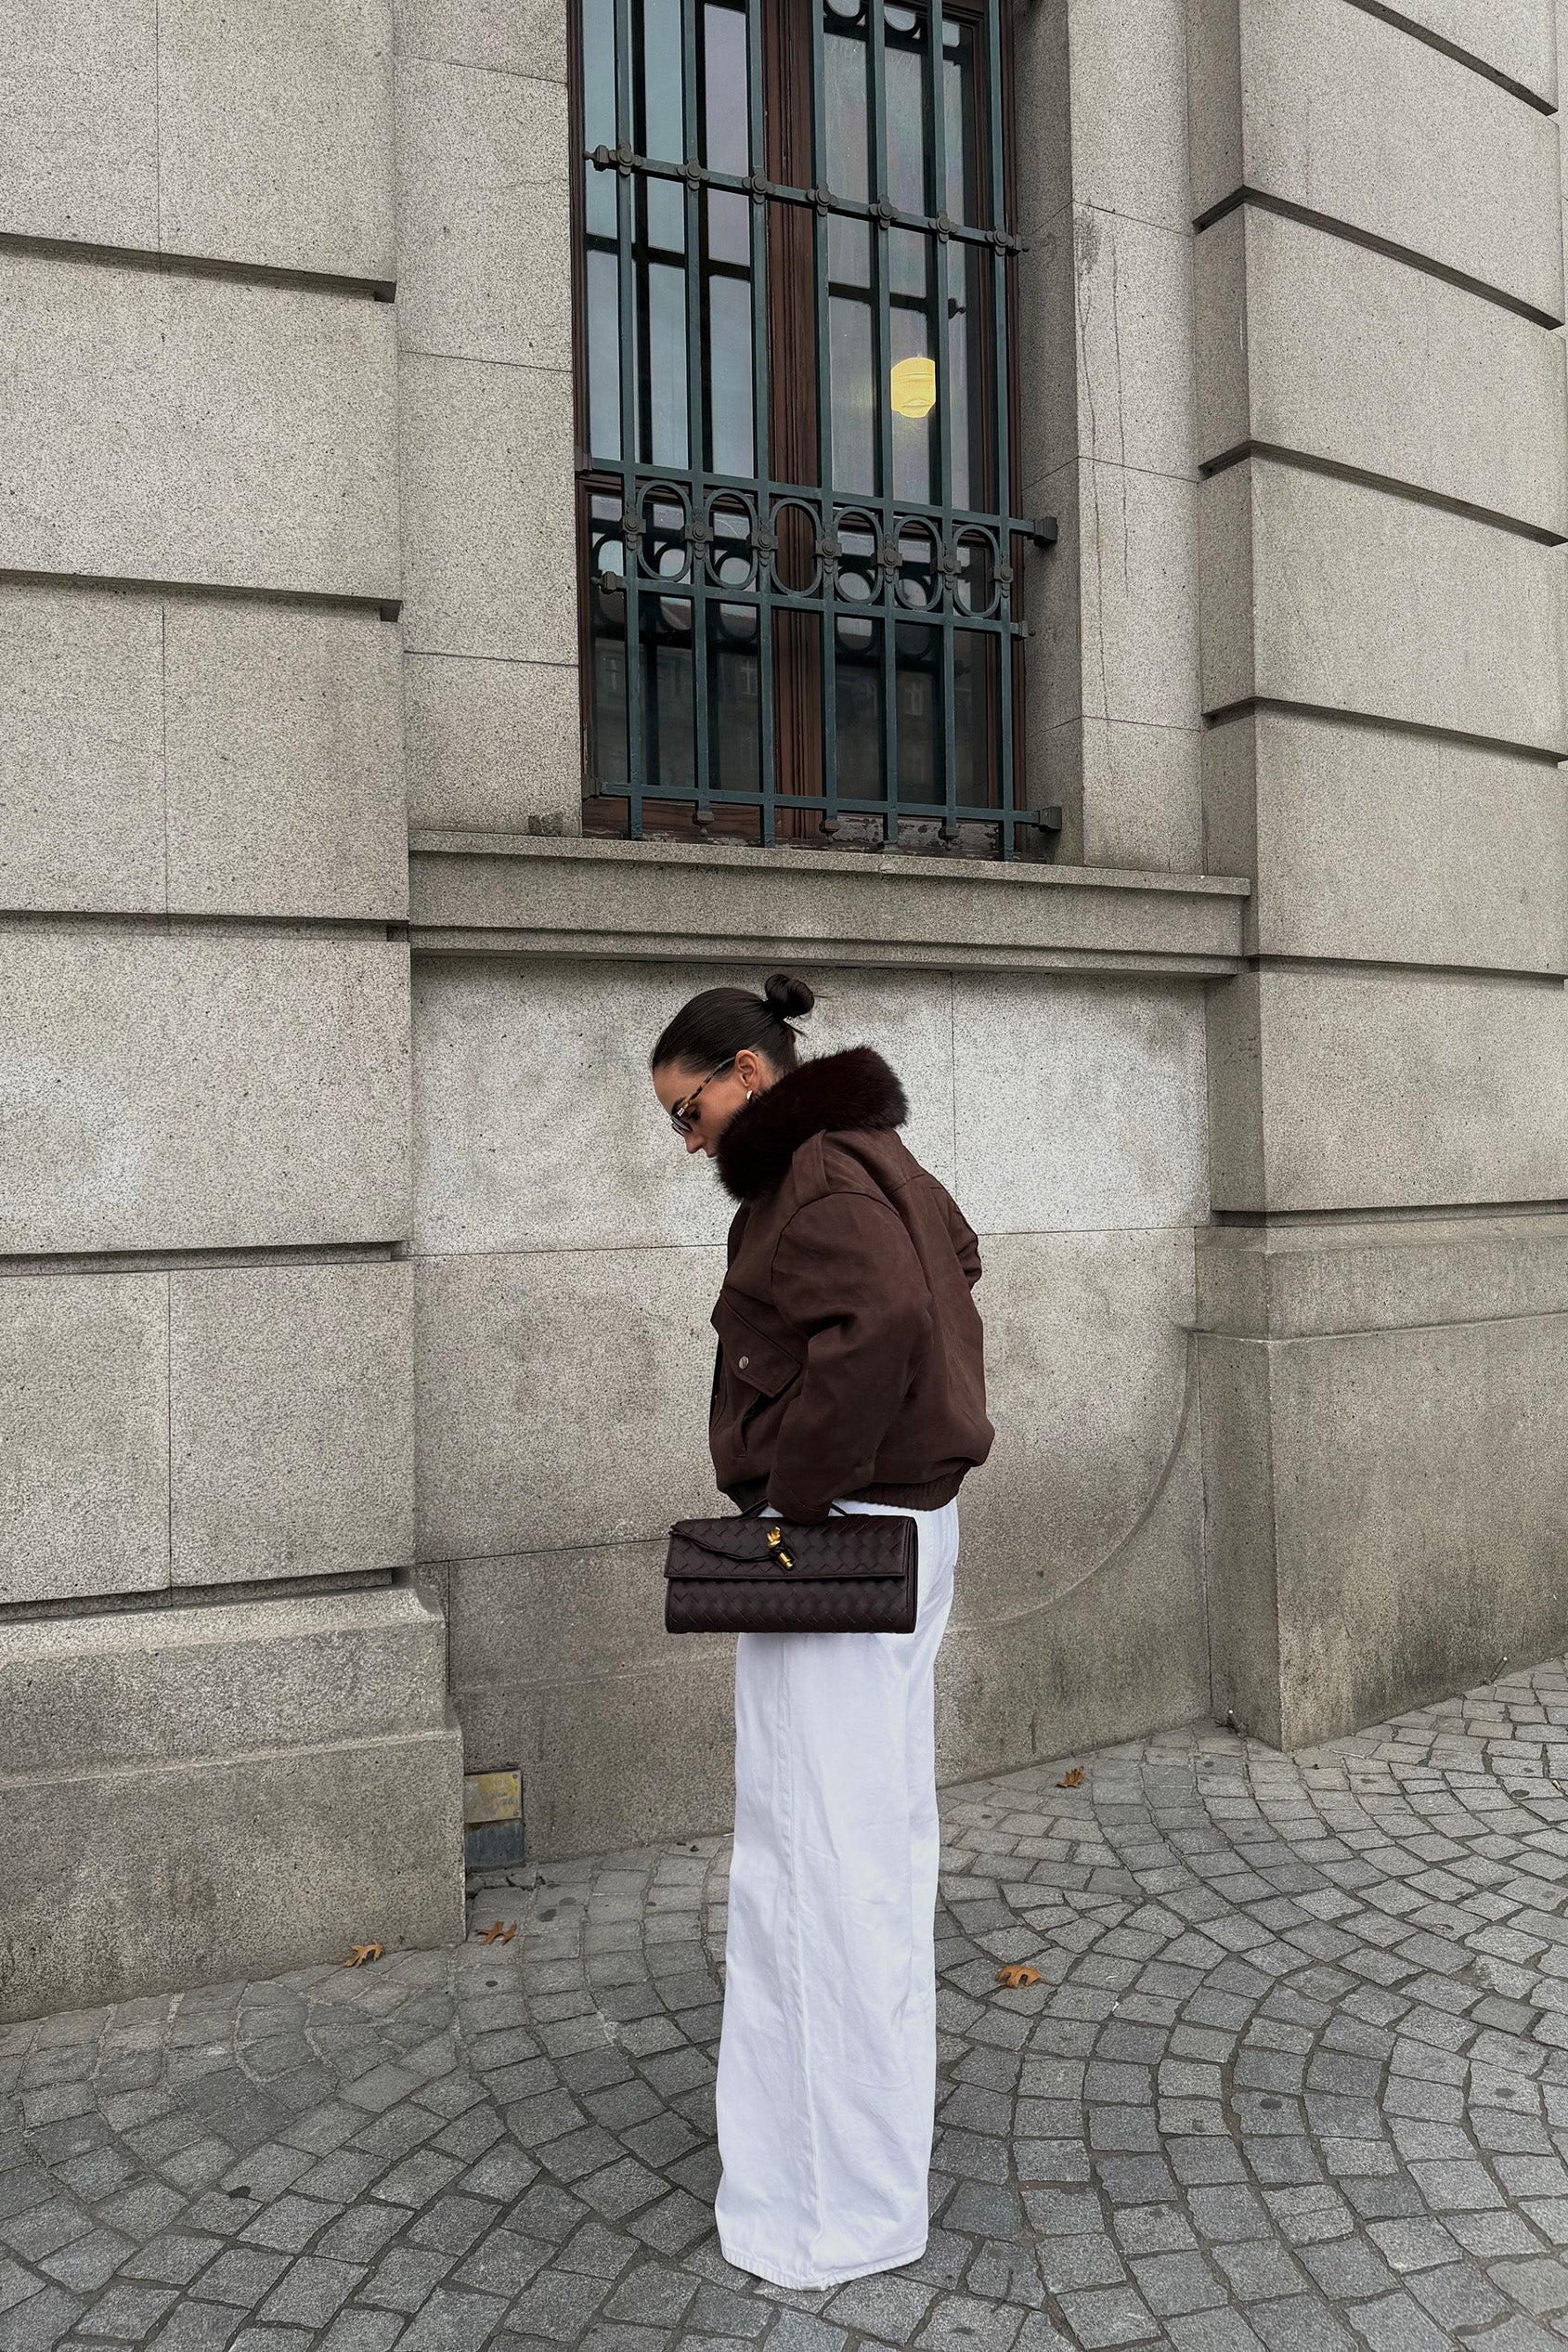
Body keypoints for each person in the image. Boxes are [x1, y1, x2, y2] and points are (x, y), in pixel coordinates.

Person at [649, 971, 993, 2291]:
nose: (687, 1144)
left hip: (840, 1540)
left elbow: (893, 1321)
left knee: (813, 1867)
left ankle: (827, 2208)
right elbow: (946, 1276)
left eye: (689, 1111)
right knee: (868, 1851)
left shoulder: (817, 1178)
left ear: (748, 1071)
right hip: (898, 1531)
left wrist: (794, 1487)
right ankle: (855, 2170)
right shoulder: (876, 1156)